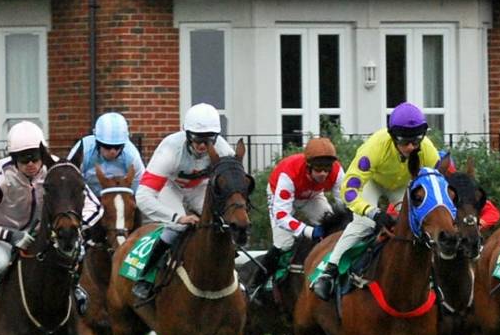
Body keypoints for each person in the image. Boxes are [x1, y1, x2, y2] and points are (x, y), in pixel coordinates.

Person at [0, 122, 102, 306]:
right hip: (1, 232)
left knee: (74, 252)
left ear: (43, 154)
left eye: (35, 157)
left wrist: (74, 223)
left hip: (42, 231)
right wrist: (9, 236)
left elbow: (94, 206)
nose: (31, 164)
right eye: (24, 159)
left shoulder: (58, 170)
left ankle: (75, 288)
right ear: (13, 159)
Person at [313, 104, 441, 301]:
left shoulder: (428, 151)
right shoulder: (374, 148)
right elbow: (349, 190)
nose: (410, 147)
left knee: (421, 221)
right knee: (364, 224)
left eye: (415, 141)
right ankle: (329, 272)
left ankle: (432, 275)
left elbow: (437, 186)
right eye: (404, 142)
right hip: (372, 183)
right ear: (392, 136)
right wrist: (373, 212)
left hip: (401, 186)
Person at [133, 103, 236, 302]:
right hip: (169, 188)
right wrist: (177, 218)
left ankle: (230, 275)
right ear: (187, 134)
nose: (203, 146)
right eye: (197, 139)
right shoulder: (171, 149)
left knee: (224, 221)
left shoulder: (224, 150)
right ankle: (146, 276)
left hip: (199, 188)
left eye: (209, 140)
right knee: (176, 229)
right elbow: (143, 196)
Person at [252, 137, 342, 304]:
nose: (323, 174)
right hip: (280, 197)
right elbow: (281, 215)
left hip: (312, 196)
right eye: (318, 169)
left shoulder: (337, 172)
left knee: (335, 231)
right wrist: (309, 231)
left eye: (327, 169)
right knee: (284, 243)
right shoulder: (289, 173)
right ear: (308, 167)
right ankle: (257, 284)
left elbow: (345, 204)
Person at [65, 112, 144, 190]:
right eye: (107, 146)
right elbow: (68, 180)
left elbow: (140, 187)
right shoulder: (84, 150)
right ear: (98, 143)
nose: (113, 151)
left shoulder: (131, 155)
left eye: (117, 147)